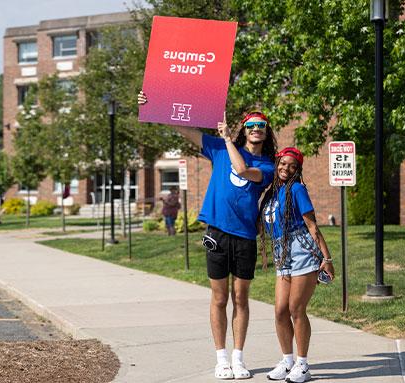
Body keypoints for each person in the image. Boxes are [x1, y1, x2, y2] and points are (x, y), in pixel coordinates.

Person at [139, 91, 277, 380]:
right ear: (244, 129)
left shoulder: (267, 166)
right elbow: (183, 129)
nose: (255, 130)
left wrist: (227, 138)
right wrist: (154, 106)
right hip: (217, 232)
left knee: (241, 298)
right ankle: (221, 359)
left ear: (266, 133)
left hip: (245, 237)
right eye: (250, 125)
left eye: (260, 126)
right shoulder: (216, 148)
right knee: (218, 298)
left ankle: (238, 358)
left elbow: (242, 169)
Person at [259, 147, 335, 383]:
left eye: (292, 166)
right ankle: (287, 360)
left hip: (302, 250)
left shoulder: (297, 189)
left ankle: (302, 365)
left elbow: (312, 226)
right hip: (282, 253)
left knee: (296, 309)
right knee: (280, 310)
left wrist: (327, 259)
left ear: (298, 169)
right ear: (277, 164)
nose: (286, 169)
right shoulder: (271, 194)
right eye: (283, 164)